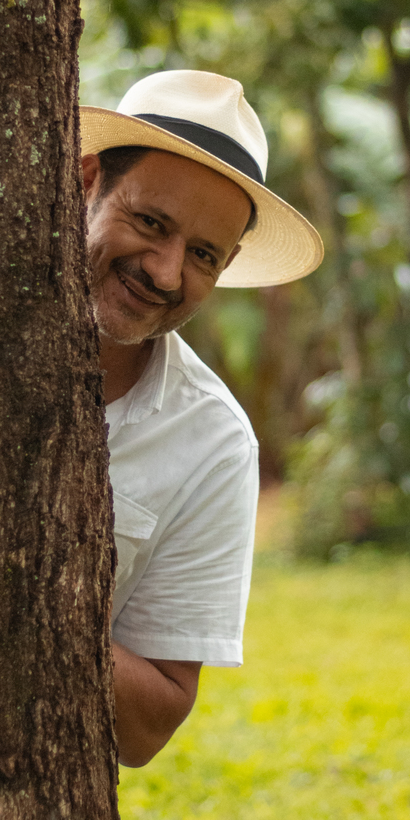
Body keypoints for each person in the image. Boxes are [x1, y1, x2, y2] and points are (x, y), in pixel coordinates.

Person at [79, 70, 324, 767]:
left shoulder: (214, 442)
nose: (164, 272)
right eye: (151, 223)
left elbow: (149, 726)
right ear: (86, 181)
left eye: (202, 255)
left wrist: (26, 595)